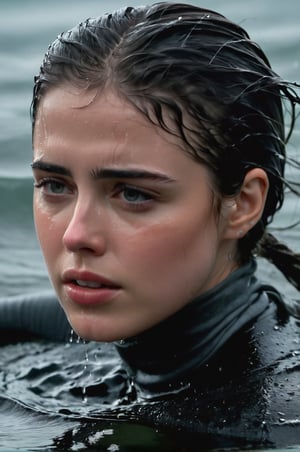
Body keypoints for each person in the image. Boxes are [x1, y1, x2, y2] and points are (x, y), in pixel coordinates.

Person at [0, 2, 300, 449]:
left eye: (134, 194)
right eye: (55, 186)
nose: (76, 235)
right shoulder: (127, 315)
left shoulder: (266, 424)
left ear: (242, 204)